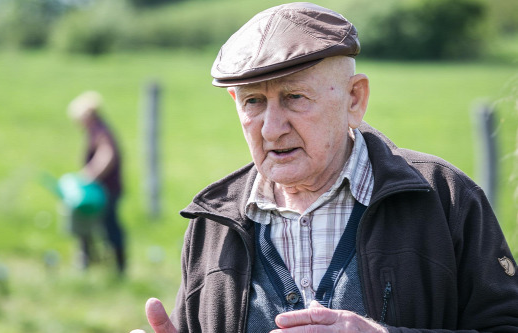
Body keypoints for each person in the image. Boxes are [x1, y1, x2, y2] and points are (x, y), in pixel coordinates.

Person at [132, 2, 518, 332]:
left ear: (355, 98)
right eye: (253, 102)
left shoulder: (445, 198)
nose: (271, 128)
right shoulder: (212, 223)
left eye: (294, 96)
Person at [68, 91, 126, 274]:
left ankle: (118, 268)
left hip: (105, 191)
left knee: (109, 226)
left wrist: (90, 175)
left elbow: (107, 156)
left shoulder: (101, 132)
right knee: (99, 225)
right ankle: (94, 262)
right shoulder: (98, 129)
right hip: (102, 190)